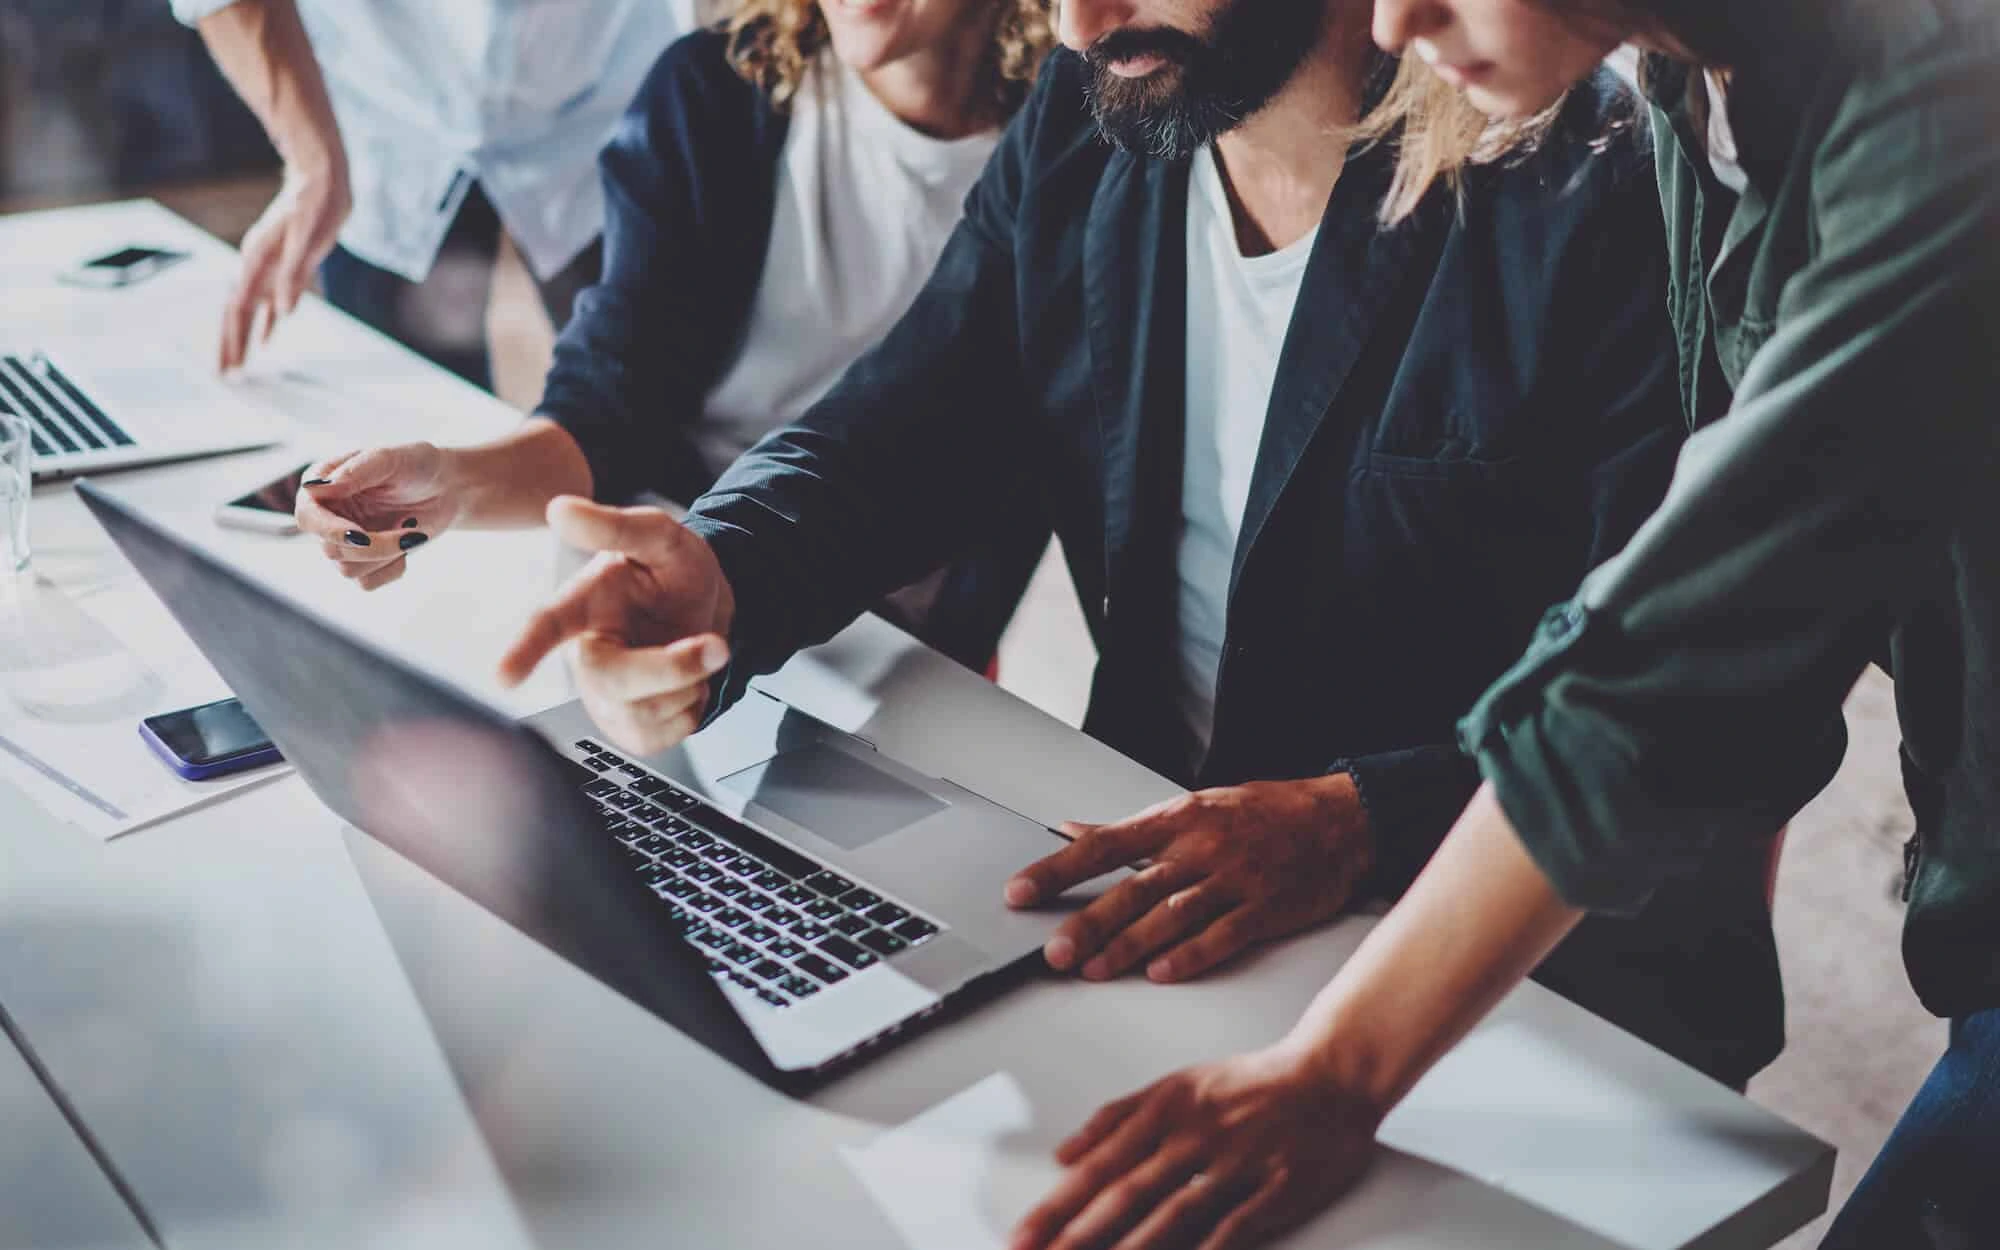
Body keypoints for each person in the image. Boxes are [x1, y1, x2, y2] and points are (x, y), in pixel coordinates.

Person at [482, 0, 1786, 1129]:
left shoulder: (1602, 190)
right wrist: (719, 566)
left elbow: (1689, 721)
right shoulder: (1096, 108)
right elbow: (904, 426)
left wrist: (1352, 823)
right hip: (1153, 901)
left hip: (1506, 985)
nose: (1074, 27)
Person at [1010, 0, 2000, 1247]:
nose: (1385, 17)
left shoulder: (1943, 100)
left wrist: (1334, 1068)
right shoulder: (1703, 95)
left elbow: (1690, 638)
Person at [290, 0, 1059, 667]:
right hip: (678, 576)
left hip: (901, 636)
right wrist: (451, 484)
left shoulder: (1076, 161)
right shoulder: (712, 92)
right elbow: (608, 413)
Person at [172, 0, 688, 386]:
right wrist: (313, 159)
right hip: (388, 118)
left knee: (651, 399)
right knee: (405, 437)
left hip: (605, 98)